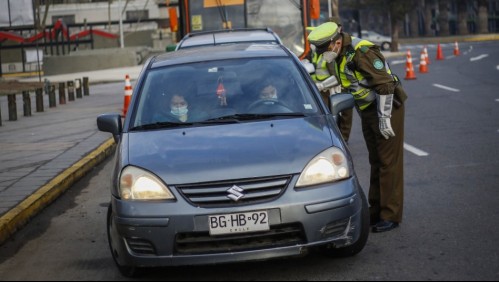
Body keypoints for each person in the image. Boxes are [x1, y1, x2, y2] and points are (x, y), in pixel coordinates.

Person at [308, 22, 408, 233]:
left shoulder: (361, 51)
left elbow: (385, 84)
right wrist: (319, 86)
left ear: (336, 42)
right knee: (376, 160)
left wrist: (383, 118)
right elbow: (346, 80)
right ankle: (376, 210)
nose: (322, 53)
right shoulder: (339, 55)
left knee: (388, 161)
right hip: (368, 110)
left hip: (387, 109)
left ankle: (390, 215)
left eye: (323, 48)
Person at [308, 18, 354, 143]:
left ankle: (343, 140)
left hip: (339, 86)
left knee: (344, 114)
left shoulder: (343, 45)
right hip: (324, 87)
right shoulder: (323, 45)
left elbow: (338, 73)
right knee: (326, 115)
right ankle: (330, 138)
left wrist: (324, 85)